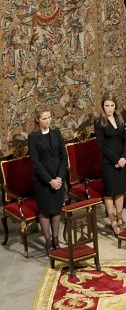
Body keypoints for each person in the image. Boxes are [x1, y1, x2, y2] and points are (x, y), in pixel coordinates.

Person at [28, 108, 68, 252]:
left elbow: (64, 156)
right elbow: (35, 163)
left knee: (56, 210)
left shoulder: (56, 133)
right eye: (44, 118)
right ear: (38, 120)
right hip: (42, 181)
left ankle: (56, 240)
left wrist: (59, 177)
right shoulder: (33, 137)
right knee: (45, 211)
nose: (47, 120)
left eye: (49, 117)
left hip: (58, 178)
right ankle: (48, 242)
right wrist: (50, 180)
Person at [94, 94, 126, 236]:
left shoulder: (119, 119)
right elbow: (101, 145)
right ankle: (113, 221)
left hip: (121, 161)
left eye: (112, 106)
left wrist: (124, 158)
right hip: (109, 163)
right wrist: (116, 160)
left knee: (120, 191)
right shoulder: (99, 122)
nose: (109, 108)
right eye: (107, 106)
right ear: (103, 106)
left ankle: (120, 220)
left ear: (115, 106)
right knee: (110, 192)